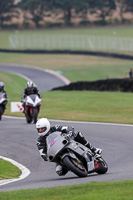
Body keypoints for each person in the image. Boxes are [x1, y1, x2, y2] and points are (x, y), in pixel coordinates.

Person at [36, 118, 102, 176]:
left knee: (78, 134)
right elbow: (42, 153)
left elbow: (68, 128)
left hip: (67, 143)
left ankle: (93, 150)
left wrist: (69, 133)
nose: (41, 131)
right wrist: (46, 157)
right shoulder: (40, 141)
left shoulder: (55, 128)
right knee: (60, 172)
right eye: (39, 129)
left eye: (42, 129)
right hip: (57, 154)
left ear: (47, 126)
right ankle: (74, 166)